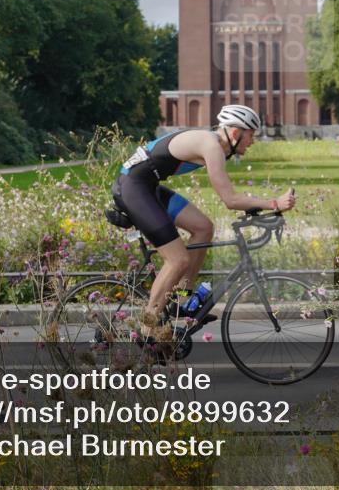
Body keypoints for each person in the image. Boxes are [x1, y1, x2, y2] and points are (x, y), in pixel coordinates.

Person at [111, 105, 295, 341]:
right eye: (251, 135)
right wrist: (274, 203)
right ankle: (148, 326)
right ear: (236, 133)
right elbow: (230, 200)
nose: (253, 141)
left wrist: (261, 206)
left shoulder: (215, 144)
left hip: (146, 186)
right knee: (178, 260)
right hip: (132, 188)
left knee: (204, 228)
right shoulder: (211, 145)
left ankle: (181, 300)